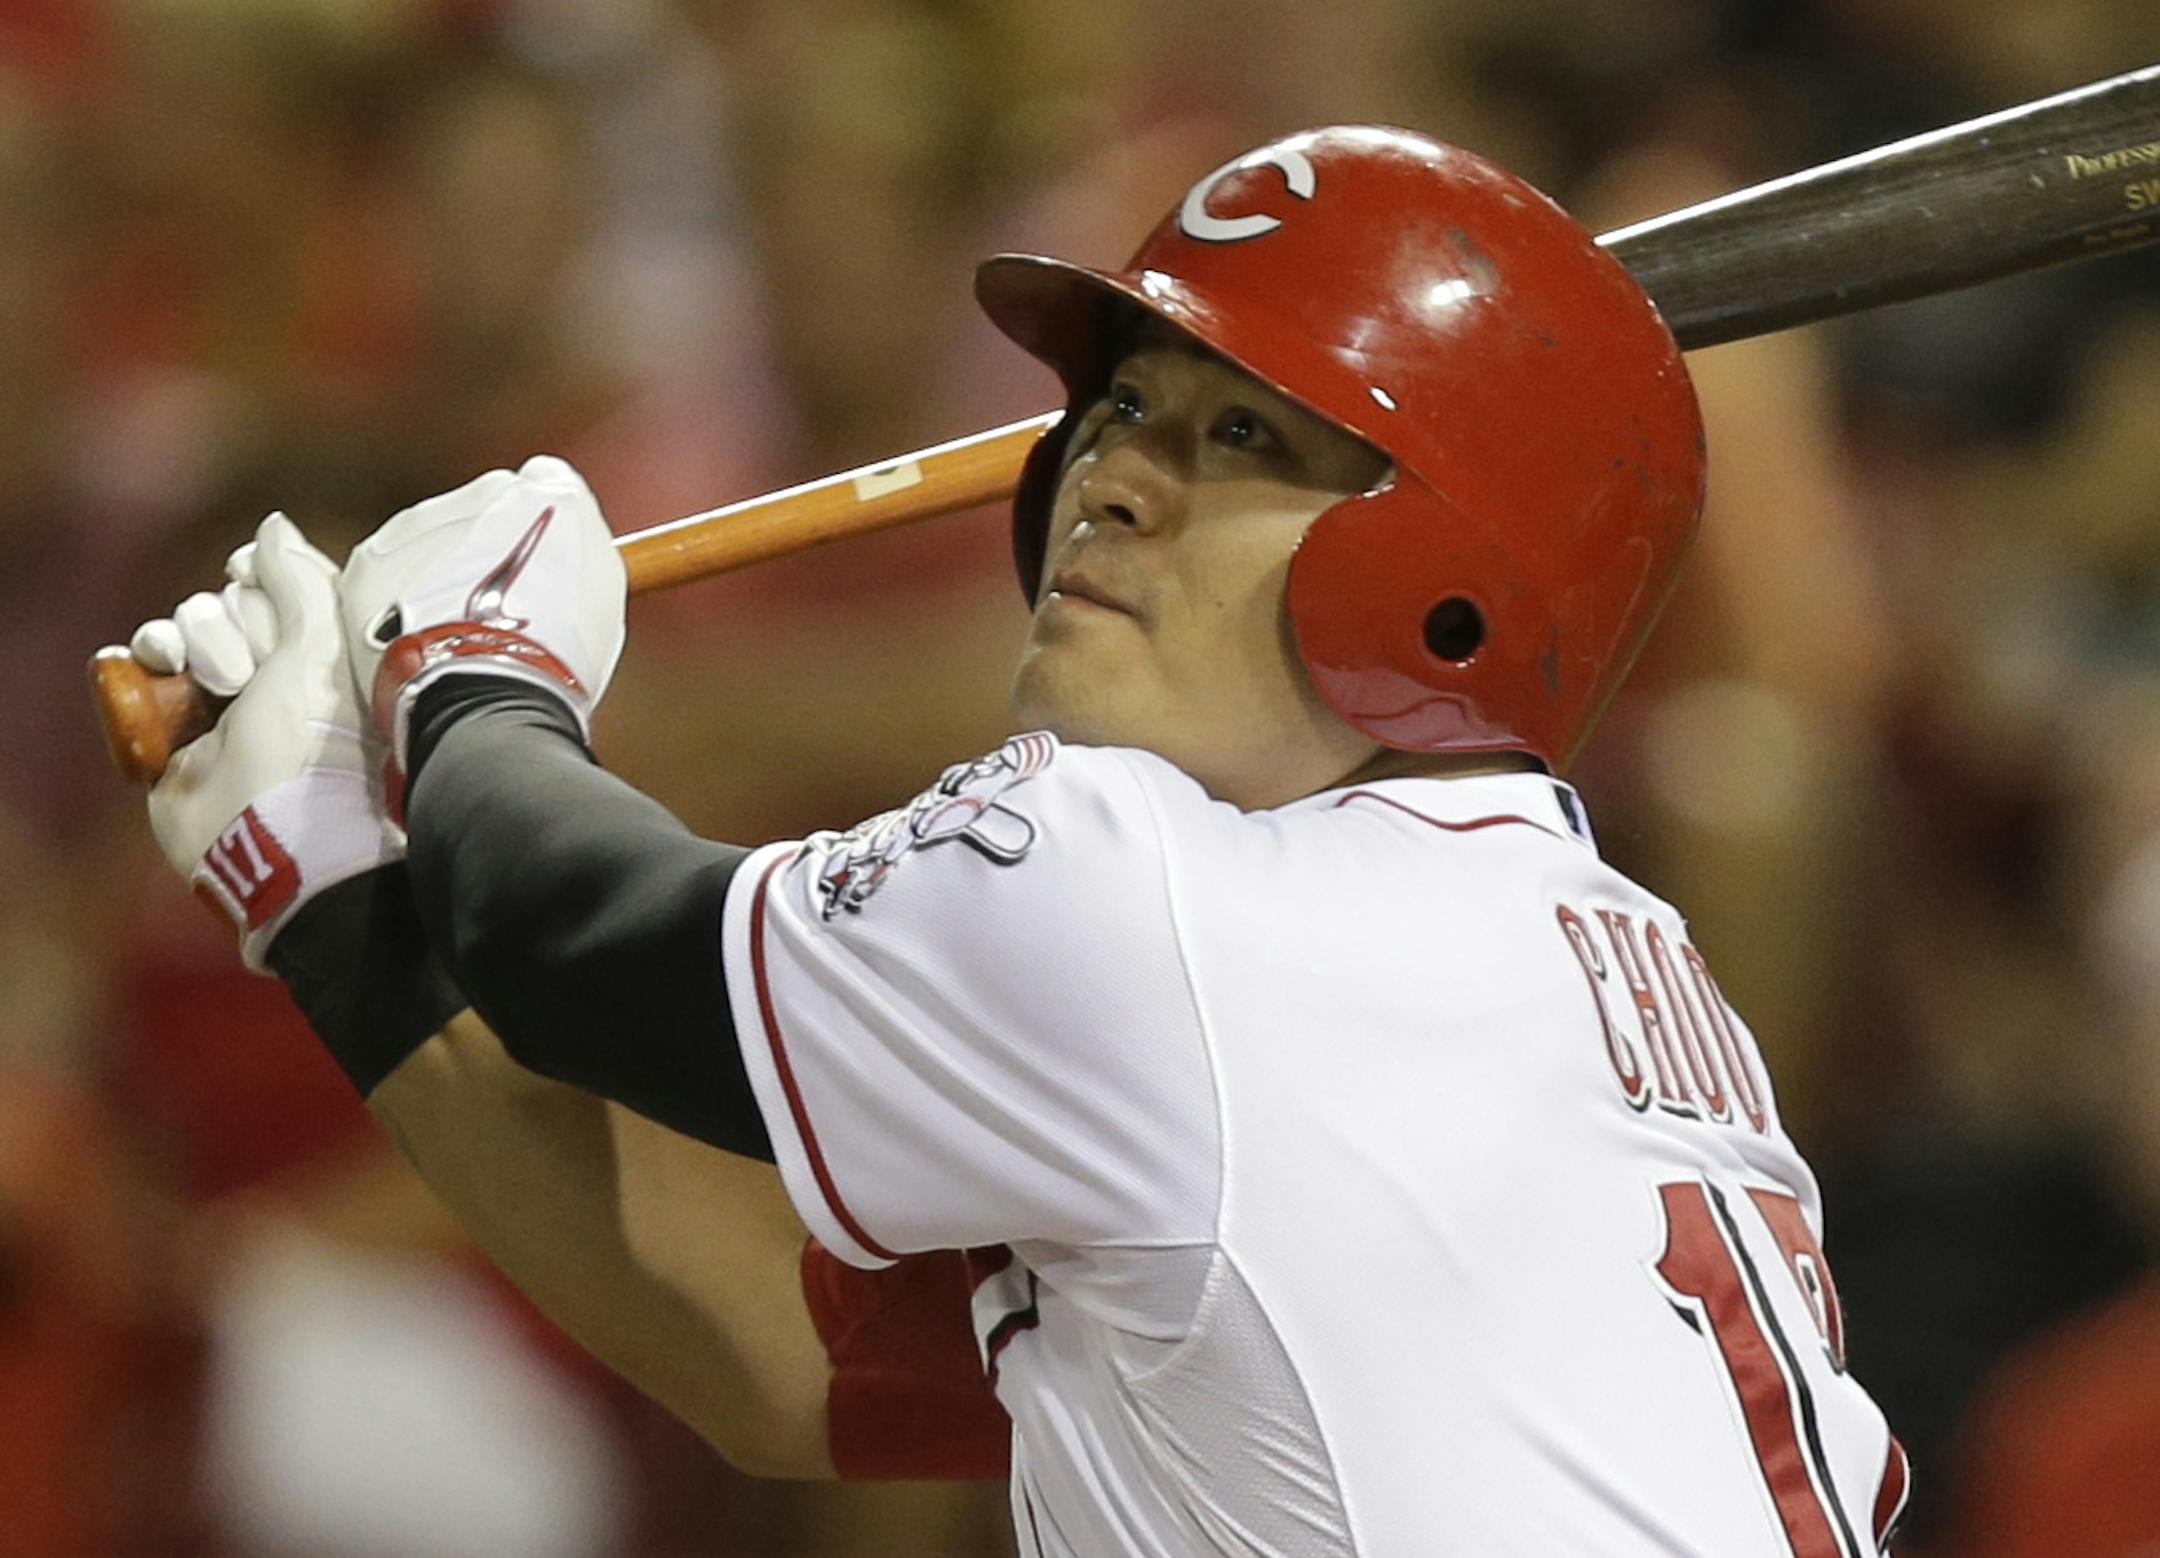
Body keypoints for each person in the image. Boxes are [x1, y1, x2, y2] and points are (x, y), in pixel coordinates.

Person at [132, 127, 1909, 1555]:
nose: (1115, 474)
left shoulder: (1166, 901)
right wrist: (331, 892)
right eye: (1125, 406)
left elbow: (579, 941)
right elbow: (783, 1353)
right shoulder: (1564, 958)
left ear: (1453, 588)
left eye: (1240, 435)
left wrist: (472, 670)